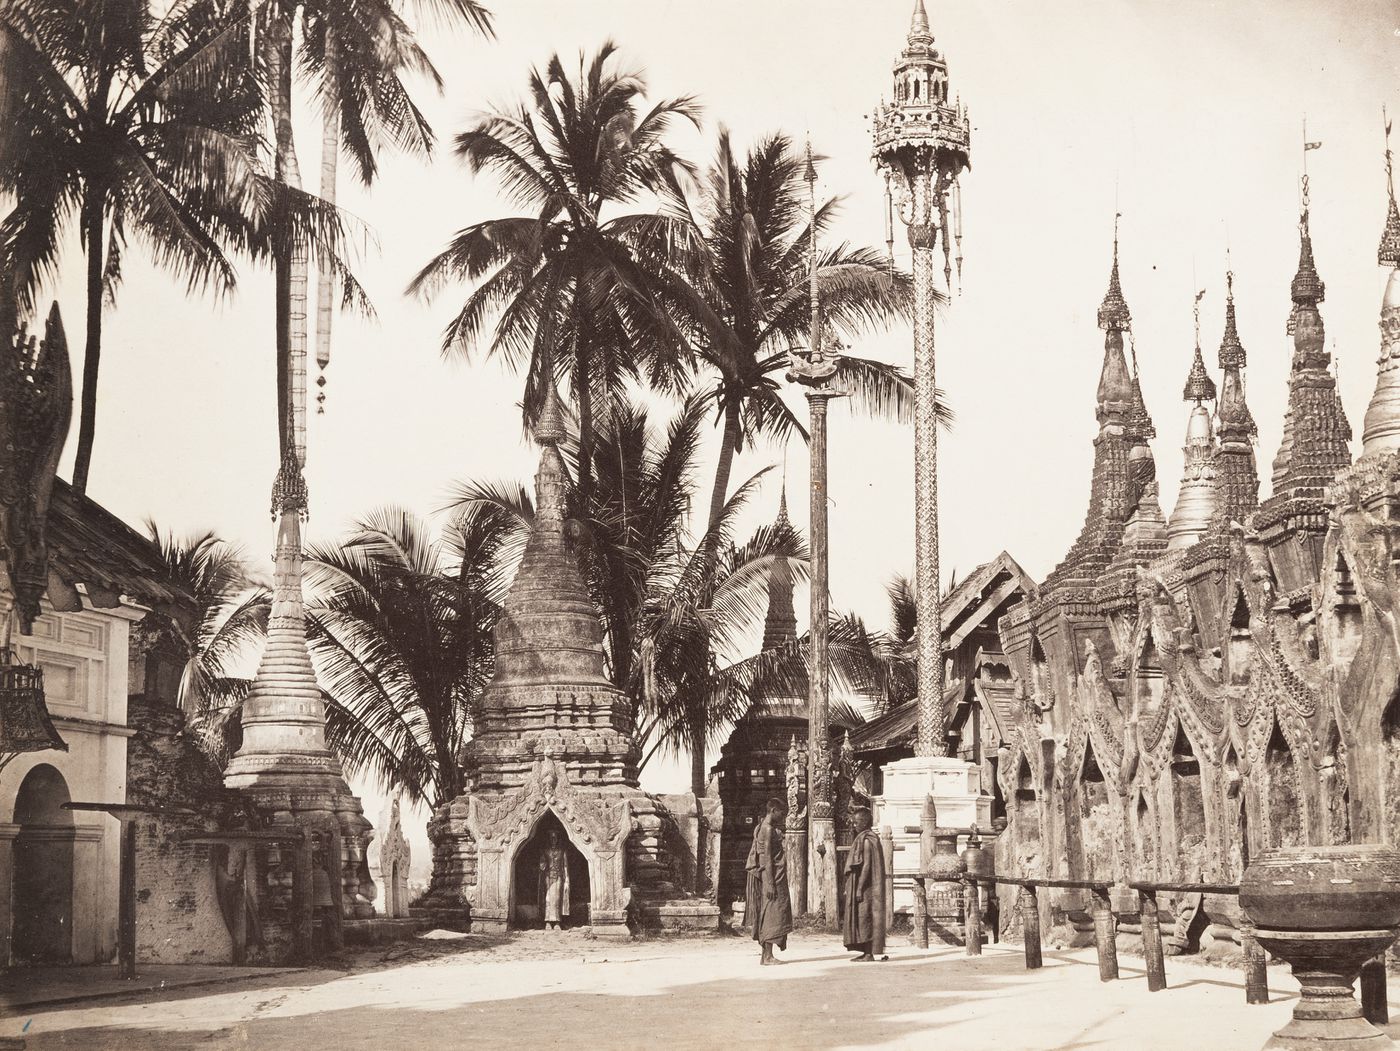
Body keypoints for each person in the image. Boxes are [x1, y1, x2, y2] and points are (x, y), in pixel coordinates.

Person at [746, 797, 794, 965]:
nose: (783, 817)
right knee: (773, 913)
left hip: (773, 875)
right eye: (782, 813)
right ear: (773, 810)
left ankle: (766, 955)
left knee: (773, 912)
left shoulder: (767, 828)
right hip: (771, 877)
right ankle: (767, 956)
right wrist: (771, 883)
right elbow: (766, 856)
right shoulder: (766, 829)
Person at [842, 807, 888, 961]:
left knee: (864, 917)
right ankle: (865, 951)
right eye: (853, 822)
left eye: (857, 822)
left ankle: (868, 953)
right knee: (862, 917)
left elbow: (867, 866)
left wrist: (859, 889)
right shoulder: (863, 838)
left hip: (866, 886)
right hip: (863, 885)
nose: (854, 825)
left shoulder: (867, 840)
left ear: (865, 822)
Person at [538, 829, 570, 931]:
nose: (553, 840)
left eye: (555, 837)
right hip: (548, 876)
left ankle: (557, 922)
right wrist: (542, 865)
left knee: (557, 899)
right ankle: (547, 921)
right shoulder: (545, 851)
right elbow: (541, 864)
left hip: (559, 877)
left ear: (557, 839)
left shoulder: (562, 851)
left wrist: (567, 880)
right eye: (551, 837)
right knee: (548, 898)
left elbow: (565, 866)